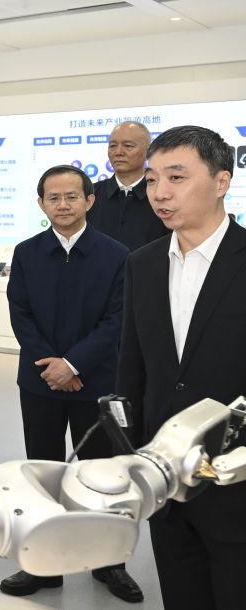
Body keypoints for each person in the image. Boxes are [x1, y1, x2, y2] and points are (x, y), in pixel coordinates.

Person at [117, 125, 245, 610]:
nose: (160, 193)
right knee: (181, 591)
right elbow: (133, 368)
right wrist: (134, 455)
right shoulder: (142, 263)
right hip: (165, 477)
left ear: (221, 181)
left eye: (176, 177)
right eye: (152, 180)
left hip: (236, 479)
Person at [0, 165, 141, 601]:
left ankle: (108, 563)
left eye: (71, 196)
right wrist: (53, 366)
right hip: (39, 381)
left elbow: (117, 319)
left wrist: (74, 364)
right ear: (41, 203)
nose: (62, 205)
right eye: (53, 197)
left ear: (89, 200)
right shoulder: (27, 252)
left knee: (102, 477)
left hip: (96, 383)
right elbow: (20, 313)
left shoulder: (117, 254)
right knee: (42, 474)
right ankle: (44, 565)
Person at [88, 122, 168, 251]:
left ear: (148, 151)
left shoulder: (164, 194)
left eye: (128, 146)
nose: (118, 152)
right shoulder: (89, 195)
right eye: (113, 146)